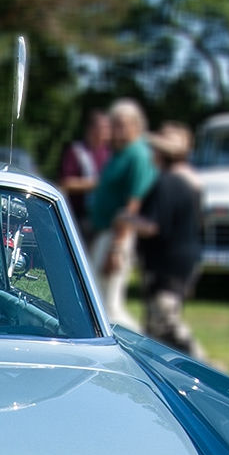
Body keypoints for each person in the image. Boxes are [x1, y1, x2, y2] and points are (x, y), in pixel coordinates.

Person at [119, 123, 206, 359]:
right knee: (155, 325)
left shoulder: (165, 184)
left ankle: (204, 366)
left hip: (169, 262)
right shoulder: (183, 183)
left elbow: (152, 226)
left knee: (165, 320)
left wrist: (127, 218)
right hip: (180, 260)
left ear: (160, 154)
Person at [86, 99, 158, 330]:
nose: (115, 130)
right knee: (99, 299)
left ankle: (137, 345)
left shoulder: (138, 155)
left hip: (118, 234)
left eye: (121, 125)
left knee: (109, 307)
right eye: (114, 124)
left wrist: (117, 248)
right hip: (105, 231)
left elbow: (132, 205)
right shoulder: (119, 154)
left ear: (136, 126)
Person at [57, 108, 110, 241]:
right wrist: (96, 183)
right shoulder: (77, 151)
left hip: (103, 216)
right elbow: (66, 182)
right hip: (80, 216)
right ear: (92, 129)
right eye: (103, 127)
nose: (107, 131)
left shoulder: (109, 153)